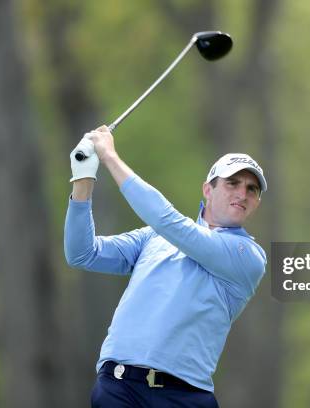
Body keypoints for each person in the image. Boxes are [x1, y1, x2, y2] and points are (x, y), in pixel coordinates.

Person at [64, 125, 267, 408]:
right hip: (119, 388)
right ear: (208, 190)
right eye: (233, 183)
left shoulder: (248, 256)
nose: (243, 193)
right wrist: (83, 178)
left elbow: (171, 223)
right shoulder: (153, 237)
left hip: (185, 397)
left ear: (256, 201)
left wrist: (110, 157)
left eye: (252, 189)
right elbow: (82, 253)